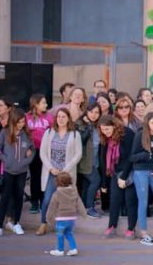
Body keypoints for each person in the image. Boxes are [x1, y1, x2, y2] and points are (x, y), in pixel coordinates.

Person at [36, 108, 83, 236]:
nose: (61, 119)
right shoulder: (49, 132)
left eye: (64, 116)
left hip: (66, 174)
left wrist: (66, 169)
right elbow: (43, 153)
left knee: (66, 200)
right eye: (59, 117)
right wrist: (51, 168)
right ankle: (43, 223)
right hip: (52, 172)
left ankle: (63, 226)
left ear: (68, 118)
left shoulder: (74, 134)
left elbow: (78, 154)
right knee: (47, 199)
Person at [0, 108, 35, 238]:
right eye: (19, 122)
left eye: (23, 122)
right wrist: (6, 159)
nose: (21, 124)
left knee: (19, 197)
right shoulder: (4, 133)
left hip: (22, 171)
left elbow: (32, 149)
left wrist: (27, 160)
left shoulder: (27, 134)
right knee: (5, 197)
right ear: (13, 121)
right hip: (8, 171)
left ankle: (16, 223)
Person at [130, 112, 153, 246]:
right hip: (140, 172)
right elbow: (132, 157)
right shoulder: (140, 135)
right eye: (152, 123)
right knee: (143, 202)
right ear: (147, 123)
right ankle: (144, 234)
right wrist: (146, 155)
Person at [98, 115, 138, 239]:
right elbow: (103, 162)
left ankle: (131, 229)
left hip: (129, 172)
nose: (105, 132)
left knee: (130, 201)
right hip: (115, 173)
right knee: (114, 201)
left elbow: (131, 156)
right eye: (103, 130)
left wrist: (124, 177)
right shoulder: (105, 139)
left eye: (107, 129)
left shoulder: (127, 134)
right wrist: (104, 183)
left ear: (114, 126)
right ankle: (111, 226)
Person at [45, 173, 87, 256]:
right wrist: (83, 213)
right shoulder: (74, 191)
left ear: (57, 182)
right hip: (72, 218)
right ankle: (73, 248)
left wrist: (48, 218)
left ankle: (60, 250)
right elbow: (79, 203)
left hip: (61, 218)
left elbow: (51, 207)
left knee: (60, 234)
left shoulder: (57, 194)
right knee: (69, 234)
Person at [26, 94, 53, 214]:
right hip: (33, 150)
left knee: (45, 177)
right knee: (34, 176)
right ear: (35, 104)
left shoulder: (49, 116)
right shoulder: (27, 117)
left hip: (46, 150)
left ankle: (44, 201)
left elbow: (54, 131)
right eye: (43, 102)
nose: (46, 105)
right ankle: (34, 201)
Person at [75, 103, 102, 218]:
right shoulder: (80, 124)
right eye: (91, 112)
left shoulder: (98, 125)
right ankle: (89, 208)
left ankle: (84, 208)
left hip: (95, 160)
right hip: (85, 161)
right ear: (86, 112)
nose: (94, 115)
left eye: (97, 112)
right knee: (96, 181)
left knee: (87, 185)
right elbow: (80, 141)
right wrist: (88, 126)